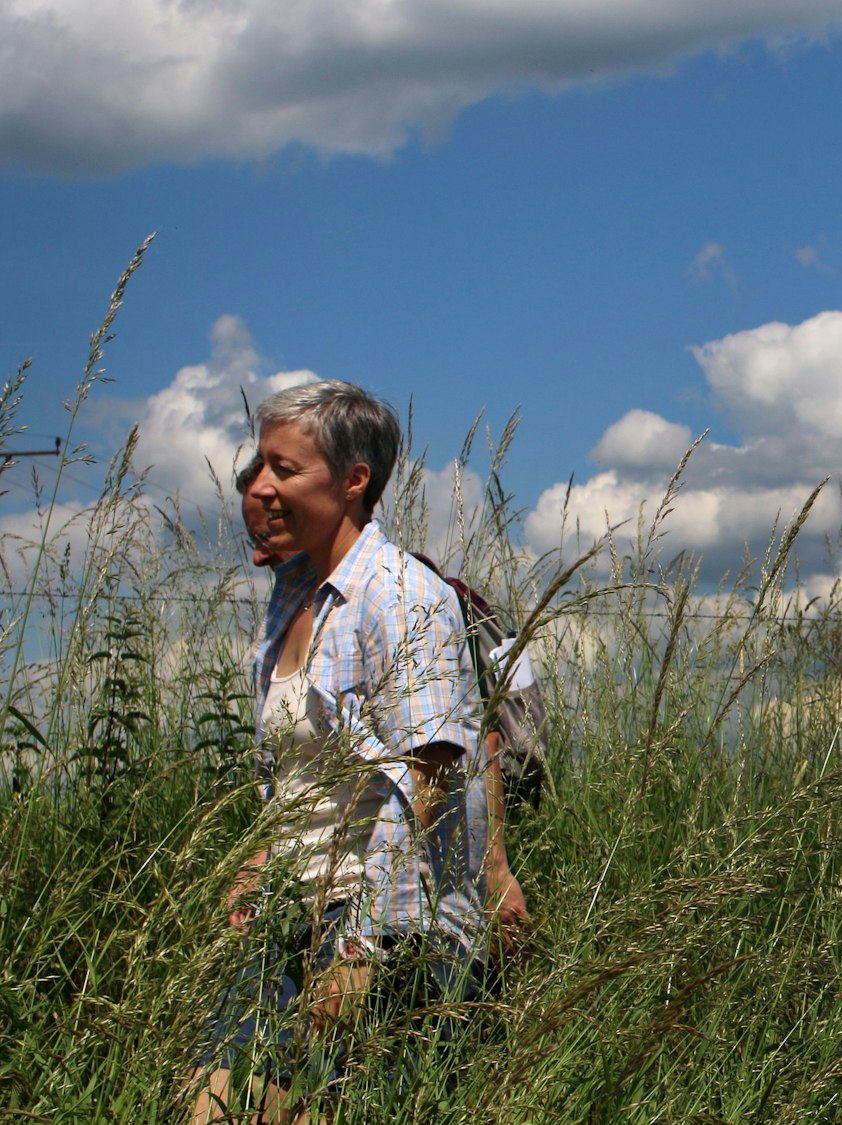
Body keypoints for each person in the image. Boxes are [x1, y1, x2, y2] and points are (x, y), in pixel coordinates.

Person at [189, 382, 490, 1123]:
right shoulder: (293, 588)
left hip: (382, 923)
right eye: (257, 466)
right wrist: (261, 859)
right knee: (209, 1103)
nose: (260, 486)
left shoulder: (402, 595)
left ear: (354, 479)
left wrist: (358, 947)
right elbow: (301, 770)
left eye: (285, 470)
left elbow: (435, 775)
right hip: (288, 907)